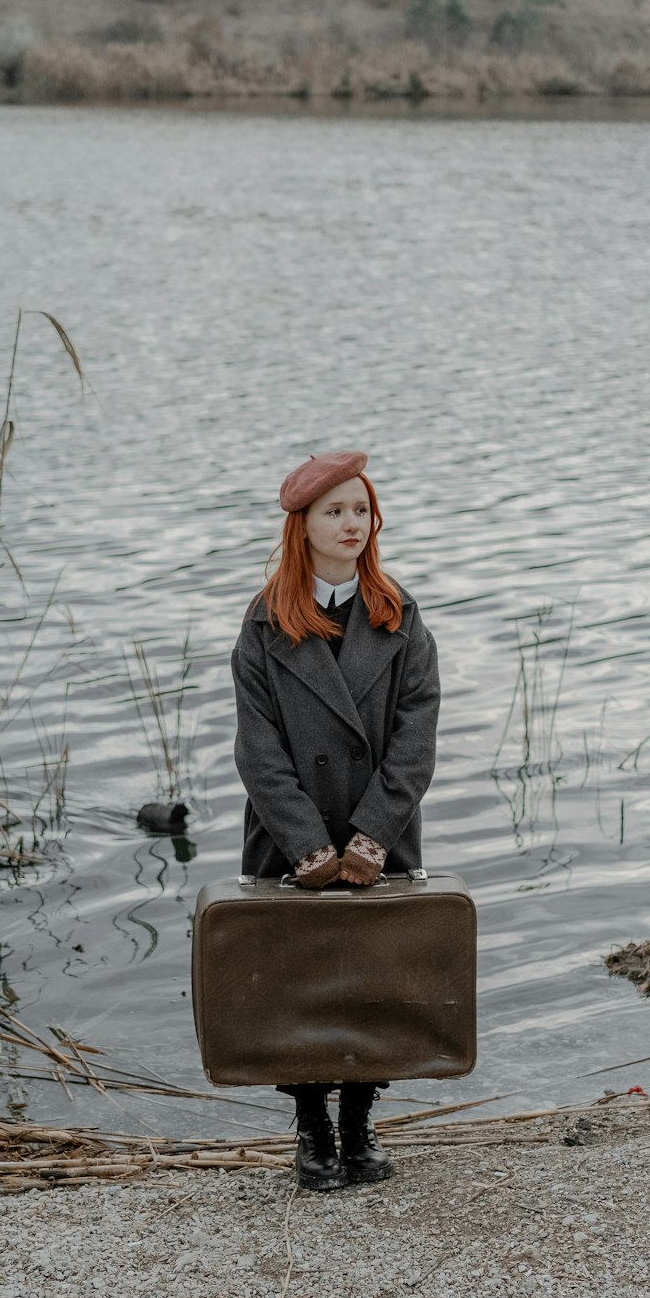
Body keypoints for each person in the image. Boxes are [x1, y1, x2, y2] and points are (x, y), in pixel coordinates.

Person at [231, 450, 440, 1192]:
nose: (353, 523)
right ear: (304, 525)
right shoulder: (263, 626)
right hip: (291, 836)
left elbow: (417, 740)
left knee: (375, 978)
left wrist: (371, 836)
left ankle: (360, 1123)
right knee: (299, 983)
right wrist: (310, 846)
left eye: (361, 509)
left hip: (380, 834)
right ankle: (311, 1130)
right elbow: (258, 750)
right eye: (335, 511)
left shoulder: (400, 616)